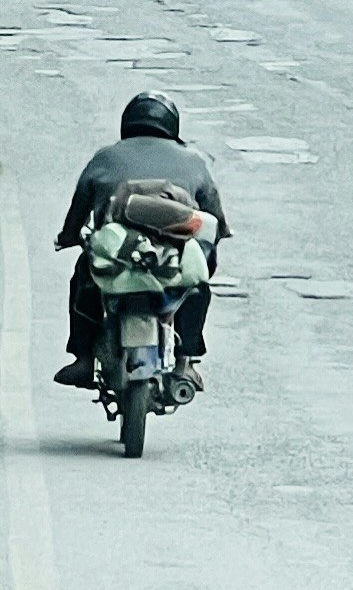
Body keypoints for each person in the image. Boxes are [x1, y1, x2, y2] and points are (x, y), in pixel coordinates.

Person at [52, 93, 225, 388]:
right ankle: (186, 361)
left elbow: (79, 208)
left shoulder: (105, 157)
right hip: (171, 253)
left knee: (84, 275)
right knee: (197, 286)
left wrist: (68, 238)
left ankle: (83, 360)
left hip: (119, 251)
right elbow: (215, 218)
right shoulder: (193, 161)